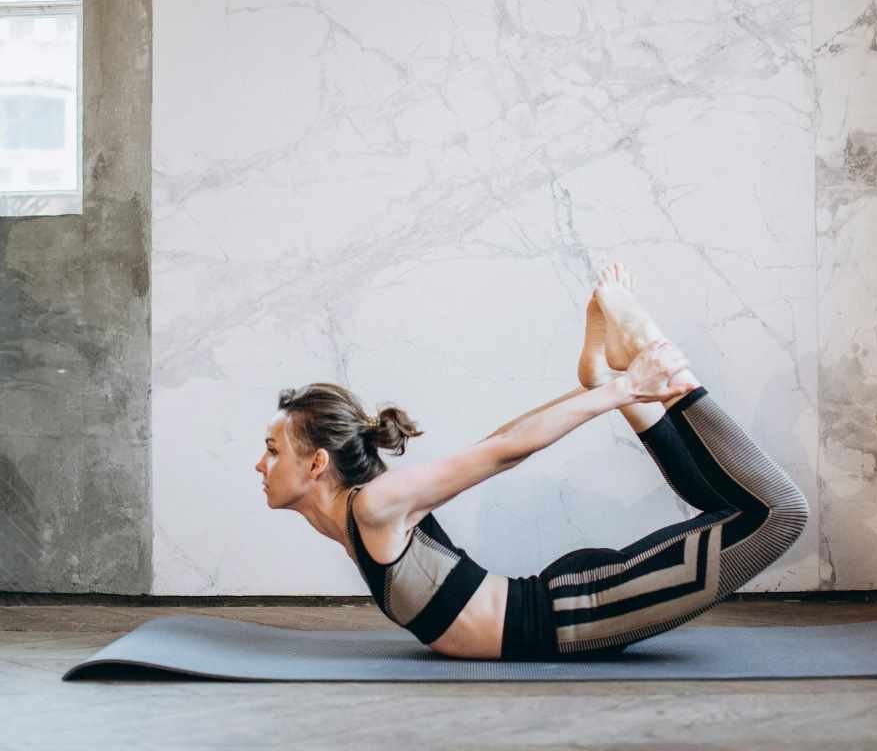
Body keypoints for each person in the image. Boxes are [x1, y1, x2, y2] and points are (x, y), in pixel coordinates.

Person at [256, 262, 809, 660]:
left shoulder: (374, 506)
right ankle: (621, 377)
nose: (261, 465)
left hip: (582, 612)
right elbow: (500, 442)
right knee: (723, 504)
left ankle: (655, 359)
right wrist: (604, 391)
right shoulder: (351, 514)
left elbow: (503, 450)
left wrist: (626, 391)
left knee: (780, 514)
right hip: (569, 606)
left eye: (273, 449)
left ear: (316, 465)